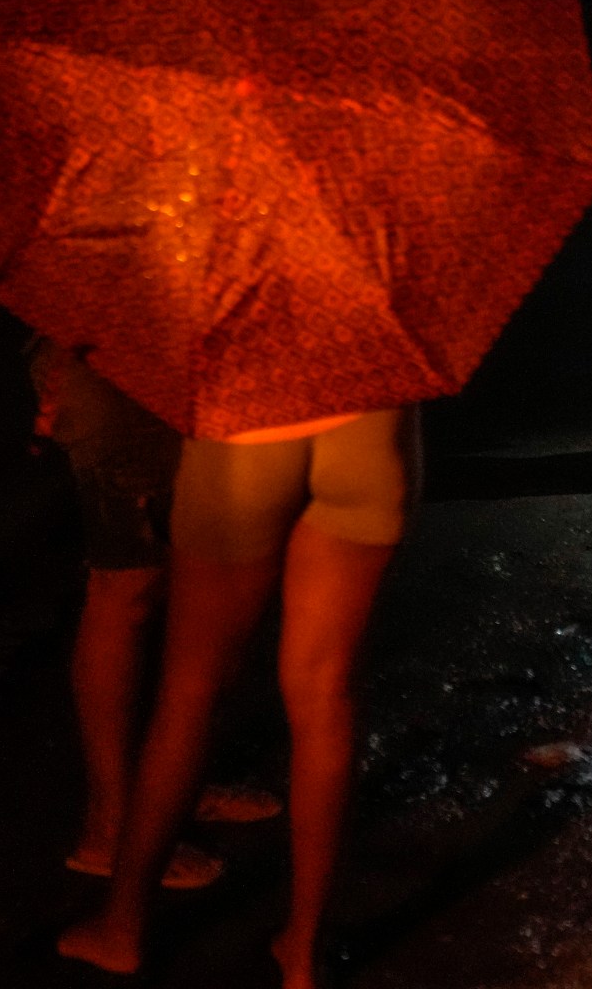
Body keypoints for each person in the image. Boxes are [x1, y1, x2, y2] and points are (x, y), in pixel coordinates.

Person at [59, 405, 414, 988]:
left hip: (246, 440)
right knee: (327, 695)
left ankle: (121, 929)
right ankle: (303, 953)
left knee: (192, 692)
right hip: (372, 437)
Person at [26, 339, 286, 894]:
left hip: (159, 365)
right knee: (127, 587)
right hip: (115, 368)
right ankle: (111, 830)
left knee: (170, 576)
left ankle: (167, 790)